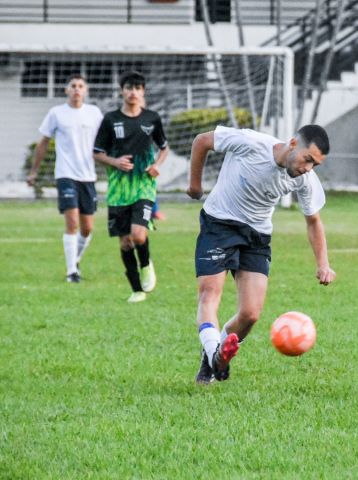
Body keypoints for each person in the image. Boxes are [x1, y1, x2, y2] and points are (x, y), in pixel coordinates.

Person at [187, 124, 336, 385]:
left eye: (316, 165)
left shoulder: (304, 179)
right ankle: (214, 357)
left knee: (251, 314)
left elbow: (314, 221)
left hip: (256, 237)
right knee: (210, 294)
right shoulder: (250, 143)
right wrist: (195, 186)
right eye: (308, 159)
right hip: (219, 224)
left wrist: (323, 264)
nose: (308, 168)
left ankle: (214, 354)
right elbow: (202, 141)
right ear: (293, 144)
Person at [93, 71, 169, 303]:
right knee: (125, 242)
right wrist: (115, 162)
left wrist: (156, 165)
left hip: (144, 186)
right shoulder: (110, 119)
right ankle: (137, 290)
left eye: (137, 88)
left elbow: (164, 148)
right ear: (122, 91)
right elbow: (96, 153)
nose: (133, 92)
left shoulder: (152, 118)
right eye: (129, 87)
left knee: (138, 235)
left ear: (143, 91)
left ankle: (146, 264)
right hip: (118, 190)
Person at [27, 74, 103, 283]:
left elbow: (105, 141)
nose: (77, 89)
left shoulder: (94, 113)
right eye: (73, 86)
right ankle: (72, 272)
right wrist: (34, 171)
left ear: (86, 91)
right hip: (65, 175)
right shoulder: (56, 113)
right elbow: (43, 143)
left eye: (81, 86)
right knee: (72, 223)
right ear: (66, 90)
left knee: (87, 228)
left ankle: (74, 260)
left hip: (88, 176)